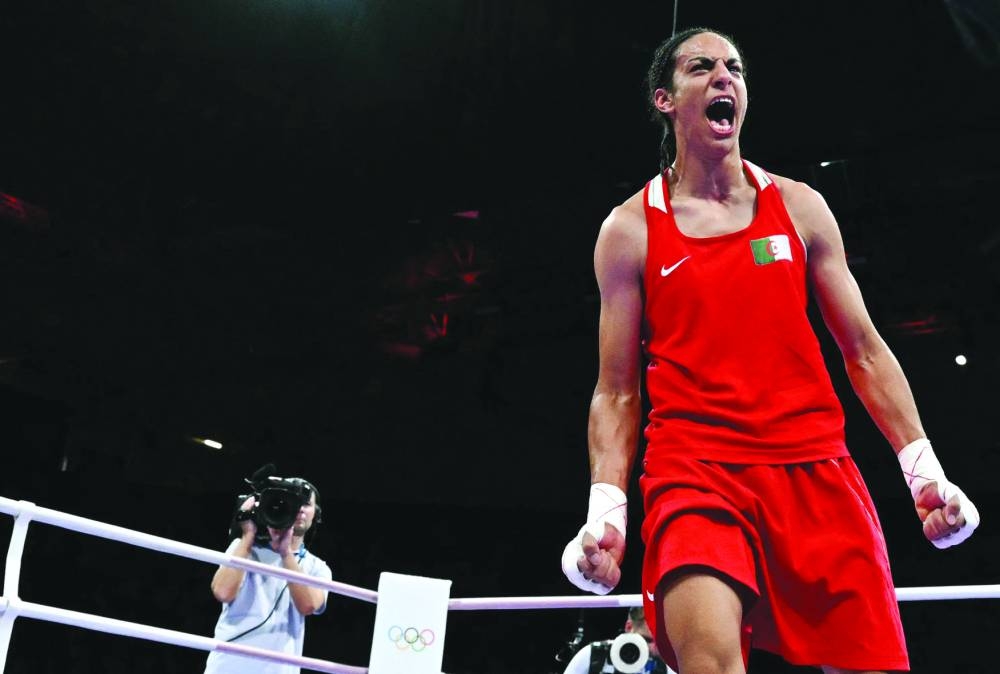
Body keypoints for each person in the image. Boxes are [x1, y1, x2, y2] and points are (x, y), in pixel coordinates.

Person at [560, 26, 981, 674]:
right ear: (665, 100)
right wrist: (606, 509)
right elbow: (615, 389)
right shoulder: (630, 229)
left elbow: (864, 351)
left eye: (735, 67)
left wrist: (923, 469)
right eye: (702, 67)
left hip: (814, 466)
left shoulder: (802, 208)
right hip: (694, 471)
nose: (724, 77)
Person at [204, 476, 331, 674]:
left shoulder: (318, 567)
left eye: (305, 503)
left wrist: (285, 553)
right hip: (227, 667)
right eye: (292, 501)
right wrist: (247, 535)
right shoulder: (242, 548)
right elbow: (222, 592)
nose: (299, 508)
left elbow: (308, 605)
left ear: (317, 514)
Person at [561, 607, 675, 674]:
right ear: (629, 627)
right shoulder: (595, 655)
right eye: (647, 640)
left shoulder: (666, 667)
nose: (653, 648)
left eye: (660, 642)